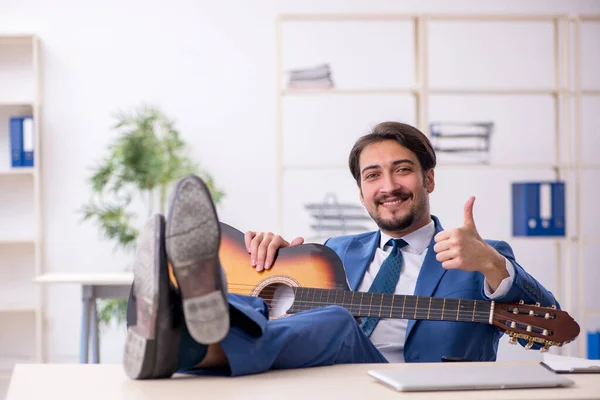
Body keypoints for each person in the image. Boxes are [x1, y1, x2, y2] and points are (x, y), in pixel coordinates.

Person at [123, 121, 559, 380]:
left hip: (413, 389)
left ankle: (182, 344)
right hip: (323, 385)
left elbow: (553, 325)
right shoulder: (330, 252)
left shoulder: (481, 256)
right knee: (251, 303)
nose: (388, 186)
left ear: (428, 179)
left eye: (402, 170)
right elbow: (290, 323)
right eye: (373, 176)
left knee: (333, 319)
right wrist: (266, 261)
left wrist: (491, 264)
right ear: (361, 191)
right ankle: (179, 325)